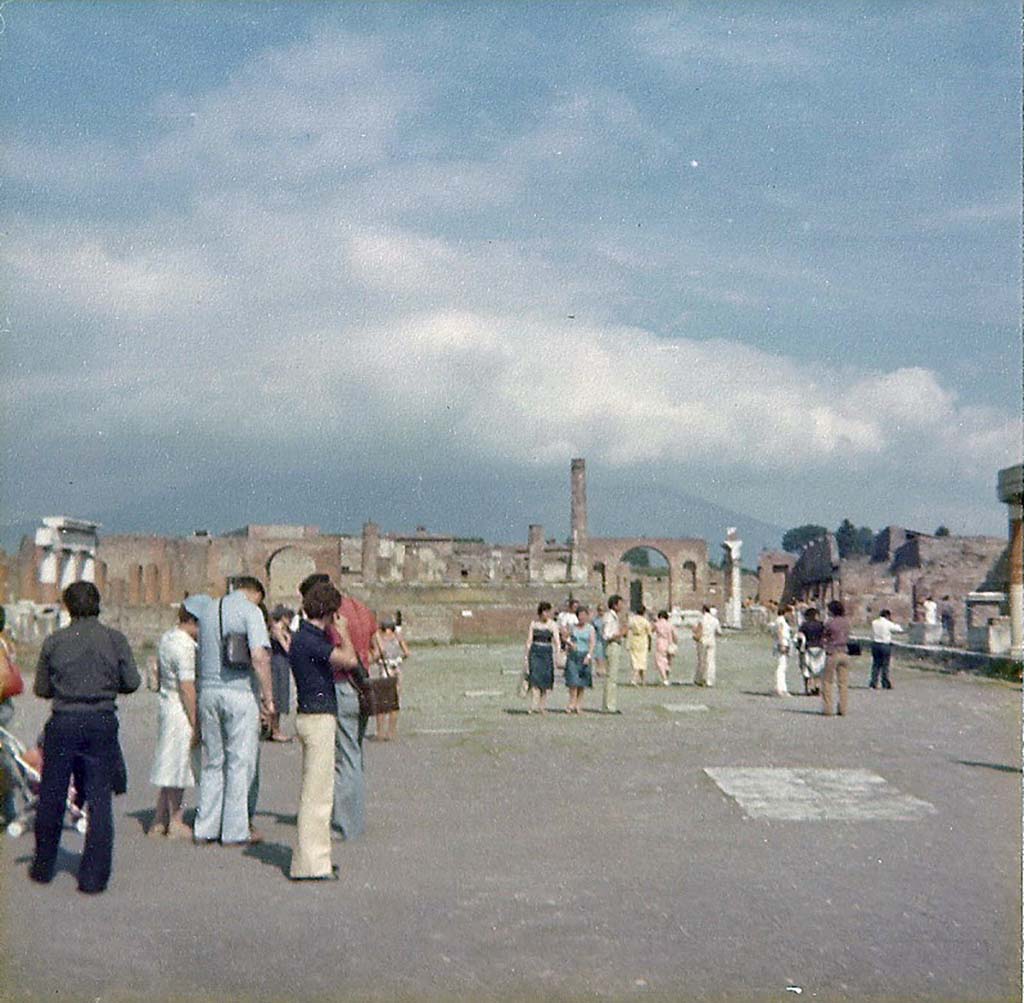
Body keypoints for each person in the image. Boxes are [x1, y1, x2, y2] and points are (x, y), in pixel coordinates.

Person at [30, 582, 140, 893]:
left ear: (67, 607)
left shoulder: (55, 641)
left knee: (52, 793)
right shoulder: (114, 639)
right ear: (98, 604)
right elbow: (132, 682)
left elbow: (41, 688)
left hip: (64, 719)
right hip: (101, 720)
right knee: (99, 797)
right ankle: (94, 877)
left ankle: (43, 866)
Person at [186, 577, 274, 847]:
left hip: (209, 692)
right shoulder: (250, 611)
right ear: (255, 593)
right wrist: (269, 698)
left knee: (213, 761)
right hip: (239, 692)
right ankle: (235, 830)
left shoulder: (208, 610)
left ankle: (205, 827)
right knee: (239, 762)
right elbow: (259, 657)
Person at [288, 580, 357, 881]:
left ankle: (317, 859)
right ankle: (311, 865)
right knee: (317, 796)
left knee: (316, 792)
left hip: (309, 714)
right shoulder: (312, 641)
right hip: (318, 718)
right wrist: (344, 633)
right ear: (330, 612)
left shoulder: (302, 637)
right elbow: (350, 660)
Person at [297, 574, 372, 842]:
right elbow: (372, 647)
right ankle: (354, 816)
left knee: (344, 759)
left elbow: (341, 656)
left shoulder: (334, 617)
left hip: (341, 685)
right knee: (355, 755)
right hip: (362, 687)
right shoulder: (361, 608)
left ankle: (345, 824)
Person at [148, 605, 199, 839]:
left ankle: (159, 818)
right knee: (178, 766)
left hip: (166, 704)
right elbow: (187, 687)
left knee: (168, 762)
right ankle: (176, 820)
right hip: (179, 709)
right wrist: (195, 720)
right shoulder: (185, 646)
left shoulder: (168, 637)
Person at [0, 607, 22, 828]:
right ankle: (7, 807)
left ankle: (7, 808)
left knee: (2, 758)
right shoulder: (5, 642)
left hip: (1, 708)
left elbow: (3, 678)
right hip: (5, 707)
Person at [372, 618, 409, 741]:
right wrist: (399, 659)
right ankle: (391, 732)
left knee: (381, 702)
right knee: (394, 701)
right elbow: (407, 653)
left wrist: (378, 661)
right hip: (396, 670)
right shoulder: (398, 637)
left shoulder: (378, 638)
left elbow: (378, 653)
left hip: (384, 669)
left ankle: (380, 733)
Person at [524, 602, 561, 714]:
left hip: (546, 652)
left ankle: (542, 706)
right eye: (545, 611)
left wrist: (558, 654)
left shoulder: (552, 625)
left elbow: (557, 641)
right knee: (534, 679)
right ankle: (533, 705)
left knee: (545, 680)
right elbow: (529, 640)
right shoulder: (534, 624)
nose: (547, 614)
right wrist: (526, 656)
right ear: (540, 612)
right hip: (535, 652)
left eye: (548, 611)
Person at [267, 606, 294, 742]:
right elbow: (287, 648)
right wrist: (288, 638)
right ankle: (275, 729)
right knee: (278, 695)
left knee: (280, 695)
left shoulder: (283, 629)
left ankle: (274, 728)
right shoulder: (278, 629)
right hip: (278, 662)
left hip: (281, 662)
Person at [821, 599, 852, 717]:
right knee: (843, 684)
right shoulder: (847, 622)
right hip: (844, 652)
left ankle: (828, 708)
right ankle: (843, 708)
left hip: (832, 652)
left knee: (827, 682)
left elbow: (824, 635)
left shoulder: (830, 623)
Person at [564, 606, 596, 714]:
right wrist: (570, 643)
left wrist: (589, 656)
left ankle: (578, 704)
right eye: (579, 615)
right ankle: (571, 703)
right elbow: (565, 637)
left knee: (582, 682)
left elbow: (592, 643)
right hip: (573, 656)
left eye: (583, 615)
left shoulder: (590, 628)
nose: (581, 617)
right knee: (573, 681)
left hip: (584, 656)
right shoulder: (573, 627)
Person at [601, 595, 627, 713]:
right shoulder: (609, 617)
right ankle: (609, 706)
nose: (622, 606)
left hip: (615, 645)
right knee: (611, 677)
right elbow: (607, 635)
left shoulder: (614, 617)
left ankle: (610, 704)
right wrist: (621, 633)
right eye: (620, 604)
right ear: (615, 605)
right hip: (612, 645)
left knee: (613, 677)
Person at [870, 609, 903, 690]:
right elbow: (899, 629)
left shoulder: (874, 622)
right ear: (888, 616)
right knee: (885, 665)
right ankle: (885, 683)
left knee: (875, 665)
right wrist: (892, 622)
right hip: (885, 645)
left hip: (875, 644)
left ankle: (873, 683)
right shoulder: (888, 623)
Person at [796, 607, 826, 695]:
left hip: (808, 648)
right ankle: (817, 686)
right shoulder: (821, 625)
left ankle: (808, 688)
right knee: (818, 669)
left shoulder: (804, 626)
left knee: (807, 669)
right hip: (820, 648)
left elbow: (799, 637)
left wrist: (799, 648)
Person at [693, 605, 722, 687]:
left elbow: (695, 629)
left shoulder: (701, 619)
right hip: (711, 641)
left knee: (701, 661)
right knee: (711, 661)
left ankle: (700, 678)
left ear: (703, 610)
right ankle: (710, 680)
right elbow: (719, 632)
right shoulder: (715, 620)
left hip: (702, 641)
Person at [627, 605, 653, 686]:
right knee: (642, 660)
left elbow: (628, 629)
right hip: (643, 641)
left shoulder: (632, 620)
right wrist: (650, 644)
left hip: (634, 640)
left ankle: (641, 680)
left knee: (635, 660)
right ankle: (638, 679)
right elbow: (649, 634)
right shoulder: (645, 622)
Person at [772, 606, 793, 696]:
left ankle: (783, 688)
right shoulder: (780, 620)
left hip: (784, 642)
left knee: (783, 666)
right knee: (781, 666)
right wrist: (781, 644)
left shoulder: (781, 620)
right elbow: (780, 632)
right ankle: (779, 688)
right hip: (782, 643)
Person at [652, 610, 677, 686]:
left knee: (660, 661)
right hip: (669, 643)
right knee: (668, 661)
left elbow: (651, 630)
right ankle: (667, 675)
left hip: (660, 643)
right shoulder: (670, 625)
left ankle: (664, 679)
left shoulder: (657, 624)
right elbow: (675, 635)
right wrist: (675, 643)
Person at [591, 603, 608, 677]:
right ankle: (599, 668)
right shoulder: (595, 620)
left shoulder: (607, 619)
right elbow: (593, 630)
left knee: (606, 654)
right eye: (600, 610)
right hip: (598, 639)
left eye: (603, 610)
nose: (601, 612)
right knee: (598, 654)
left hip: (606, 639)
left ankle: (605, 668)